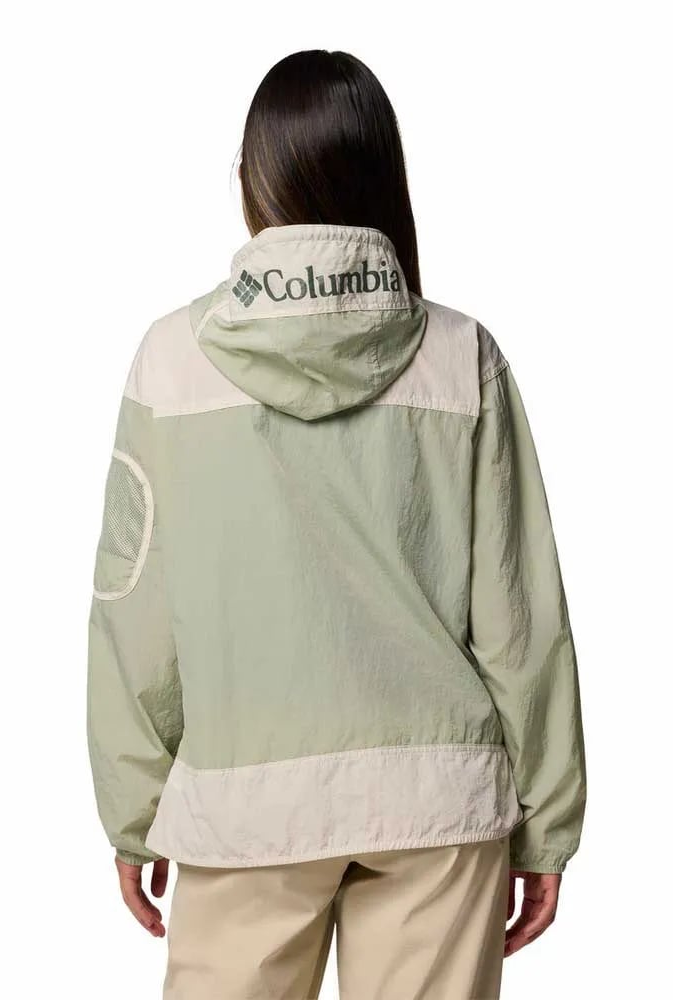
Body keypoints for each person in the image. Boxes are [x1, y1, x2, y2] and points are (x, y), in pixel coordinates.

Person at [86, 49, 587, 1000]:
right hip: (438, 802)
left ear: (251, 180)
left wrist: (136, 807)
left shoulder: (170, 362)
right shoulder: (461, 358)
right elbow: (520, 615)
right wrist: (548, 821)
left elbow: (133, 610)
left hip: (242, 806)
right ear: (385, 179)